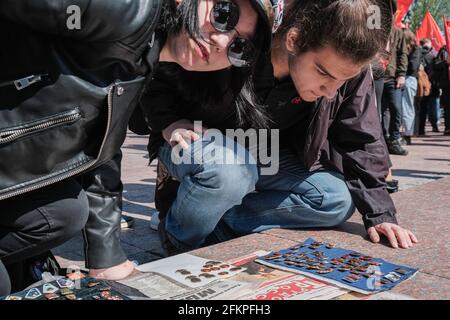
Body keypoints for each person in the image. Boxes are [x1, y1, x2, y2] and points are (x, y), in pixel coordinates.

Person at [0, 0, 268, 295]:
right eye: (223, 14)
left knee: (66, 212)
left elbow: (102, 149)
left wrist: (108, 258)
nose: (220, 41)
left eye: (240, 47)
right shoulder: (132, 10)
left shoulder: (146, 54)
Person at [148, 0, 418, 255]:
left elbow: (361, 136)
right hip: (198, 141)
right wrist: (169, 122)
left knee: (337, 198)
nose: (330, 91)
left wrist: (380, 214)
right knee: (228, 171)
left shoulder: (346, 67)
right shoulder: (244, 38)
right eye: (323, 73)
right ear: (294, 40)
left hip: (262, 154)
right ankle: (178, 236)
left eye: (342, 81)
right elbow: (165, 68)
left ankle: (217, 225)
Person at [381, 26, 409, 155]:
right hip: (377, 76)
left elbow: (403, 54)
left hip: (393, 78)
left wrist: (402, 74)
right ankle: (382, 140)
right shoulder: (374, 28)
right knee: (379, 111)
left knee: (396, 108)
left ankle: (394, 139)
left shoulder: (397, 33)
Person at [400, 29, 421, 145]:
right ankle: (402, 133)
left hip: (410, 79)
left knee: (407, 107)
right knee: (400, 108)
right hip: (405, 78)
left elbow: (413, 66)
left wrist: (403, 59)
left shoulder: (416, 50)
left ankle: (407, 135)